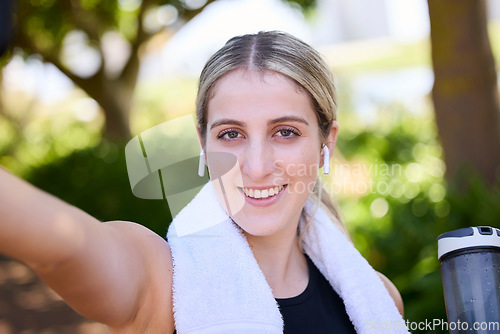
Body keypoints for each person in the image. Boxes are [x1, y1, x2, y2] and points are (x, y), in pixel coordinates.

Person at [0, 31, 406, 333]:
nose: (257, 166)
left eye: (285, 132)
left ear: (325, 142)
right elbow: (65, 247)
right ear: (202, 142)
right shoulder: (164, 281)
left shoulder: (379, 298)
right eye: (231, 134)